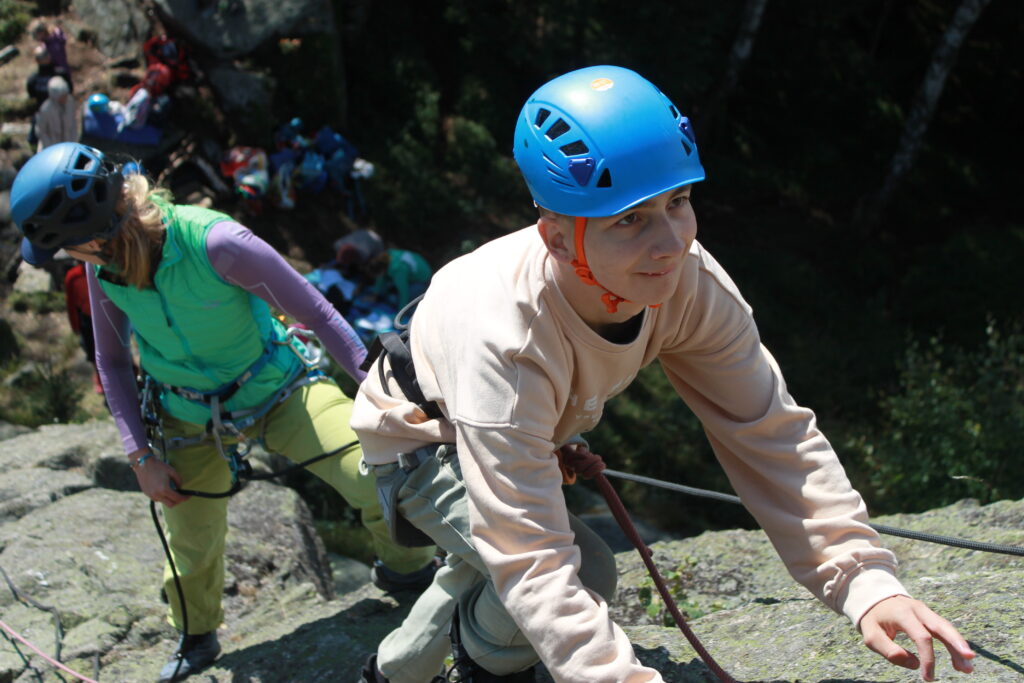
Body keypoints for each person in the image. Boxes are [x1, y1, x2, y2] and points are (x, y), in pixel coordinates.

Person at [351, 66, 977, 682]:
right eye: (629, 218)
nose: (671, 242)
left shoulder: (687, 283)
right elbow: (530, 556)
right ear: (560, 239)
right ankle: (482, 666)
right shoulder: (505, 335)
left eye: (678, 202)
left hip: (513, 429)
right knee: (582, 569)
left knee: (496, 553)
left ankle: (391, 672)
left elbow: (770, 431)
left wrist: (865, 582)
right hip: (419, 441)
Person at [10, 142, 440, 682]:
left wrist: (386, 398)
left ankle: (404, 572)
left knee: (377, 470)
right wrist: (140, 454)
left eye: (70, 250)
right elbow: (113, 361)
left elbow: (318, 312)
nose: (74, 261)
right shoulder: (107, 272)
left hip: (278, 386)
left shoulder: (216, 243)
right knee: (190, 541)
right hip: (185, 412)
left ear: (91, 237)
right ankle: (197, 635)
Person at [63, 261, 103, 394]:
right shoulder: (73, 276)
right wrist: (75, 325)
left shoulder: (102, 270)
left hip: (105, 316)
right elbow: (71, 303)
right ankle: (99, 377)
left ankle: (131, 369)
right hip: (87, 319)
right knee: (92, 350)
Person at [365, 248, 433, 310]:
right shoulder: (386, 257)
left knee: (401, 301)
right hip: (416, 265)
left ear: (381, 270)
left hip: (423, 277)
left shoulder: (398, 270)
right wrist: (374, 295)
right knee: (389, 291)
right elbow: (380, 278)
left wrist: (399, 314)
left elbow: (404, 293)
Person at [35, 76, 77, 151]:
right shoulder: (46, 109)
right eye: (62, 95)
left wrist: (73, 144)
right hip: (50, 148)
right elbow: (41, 131)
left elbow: (73, 125)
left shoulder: (70, 103)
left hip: (68, 147)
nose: (65, 97)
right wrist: (50, 148)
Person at [28, 18, 71, 86]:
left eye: (36, 35)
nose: (35, 38)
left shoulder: (50, 46)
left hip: (59, 75)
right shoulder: (54, 37)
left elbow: (57, 61)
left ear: (41, 32)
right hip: (63, 72)